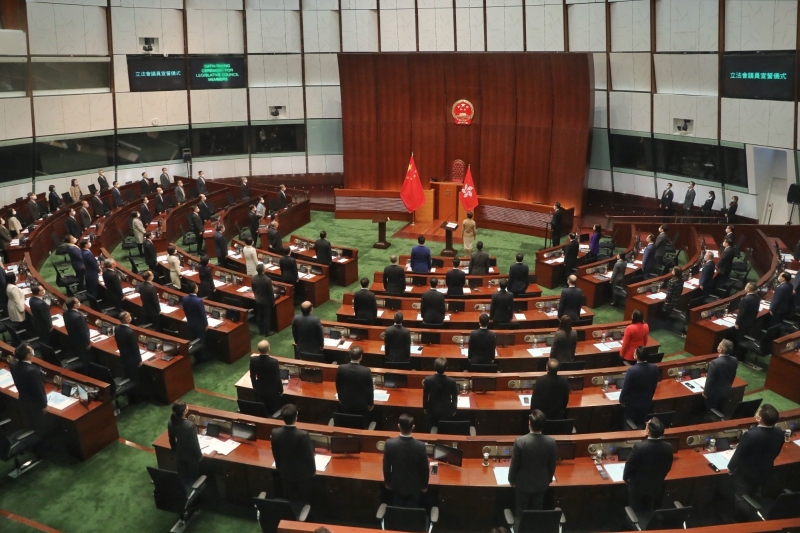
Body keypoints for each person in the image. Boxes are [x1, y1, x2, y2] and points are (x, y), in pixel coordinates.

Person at [727, 404, 784, 502]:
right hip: (765, 470)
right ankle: (754, 508)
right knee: (756, 493)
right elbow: (776, 451)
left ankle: (741, 511)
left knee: (741, 496)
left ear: (760, 418)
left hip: (746, 473)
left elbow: (739, 453)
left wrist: (731, 467)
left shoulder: (751, 435)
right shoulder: (779, 432)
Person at [508, 410, 557, 524]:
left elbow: (514, 464)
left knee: (521, 512)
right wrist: (548, 480)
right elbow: (552, 465)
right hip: (541, 484)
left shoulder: (520, 442)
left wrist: (511, 480)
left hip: (522, 484)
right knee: (537, 512)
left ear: (529, 423)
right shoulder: (551, 442)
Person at [622, 417, 674, 515]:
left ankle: (634, 521)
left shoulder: (639, 447)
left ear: (648, 431)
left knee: (635, 510)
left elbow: (629, 465)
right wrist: (659, 478)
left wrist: (626, 479)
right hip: (656, 486)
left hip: (637, 487)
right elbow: (668, 466)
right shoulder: (668, 447)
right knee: (649, 507)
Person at [383, 413, 430, 507]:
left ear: (398, 426)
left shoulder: (389, 444)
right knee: (412, 510)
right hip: (415, 487)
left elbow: (386, 466)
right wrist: (424, 486)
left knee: (397, 509)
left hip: (396, 486)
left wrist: (387, 482)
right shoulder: (420, 446)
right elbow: (425, 469)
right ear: (413, 427)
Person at [271, 404, 316, 500]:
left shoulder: (275, 433)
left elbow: (276, 454)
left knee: (289, 497)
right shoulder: (303, 435)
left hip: (285, 473)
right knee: (302, 498)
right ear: (296, 417)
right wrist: (313, 471)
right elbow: (309, 457)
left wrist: (280, 468)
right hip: (302, 476)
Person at [619, 346, 660, 428]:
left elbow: (626, 388)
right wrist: (649, 398)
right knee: (641, 423)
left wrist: (621, 400)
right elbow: (654, 385)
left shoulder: (632, 371)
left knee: (629, 424)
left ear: (636, 356)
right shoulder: (654, 368)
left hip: (632, 404)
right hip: (646, 402)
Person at [10, 343, 47, 431]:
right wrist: (44, 405)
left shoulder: (14, 366)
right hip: (35, 404)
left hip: (23, 400)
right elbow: (38, 390)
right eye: (31, 350)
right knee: (40, 425)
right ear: (28, 355)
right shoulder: (32, 371)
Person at [335, 346, 373, 419]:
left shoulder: (341, 368)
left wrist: (340, 398)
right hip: (361, 404)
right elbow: (369, 389)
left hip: (346, 402)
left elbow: (338, 385)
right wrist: (370, 403)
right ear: (361, 356)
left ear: (350, 355)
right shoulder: (366, 371)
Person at [168, 400, 202, 480]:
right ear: (184, 411)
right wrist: (200, 456)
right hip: (191, 457)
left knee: (183, 477)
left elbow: (171, 440)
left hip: (179, 455)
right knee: (192, 479)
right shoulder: (189, 426)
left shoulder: (171, 422)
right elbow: (195, 443)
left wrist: (175, 452)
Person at [703, 340, 738, 411]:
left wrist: (705, 393)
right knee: (721, 410)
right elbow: (733, 376)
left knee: (711, 411)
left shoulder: (715, 363)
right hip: (727, 391)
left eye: (719, 345)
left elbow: (710, 380)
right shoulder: (734, 360)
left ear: (720, 350)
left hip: (714, 394)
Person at [422, 357, 458, 426]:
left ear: (434, 367)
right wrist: (454, 409)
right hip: (447, 410)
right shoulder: (452, 381)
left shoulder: (428, 380)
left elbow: (425, 395)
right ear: (446, 367)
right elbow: (454, 396)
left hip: (432, 409)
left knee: (432, 426)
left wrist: (425, 408)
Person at [250, 340, 283, 413]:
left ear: (258, 349)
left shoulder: (253, 360)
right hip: (272, 391)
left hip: (260, 389)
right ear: (269, 348)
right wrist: (281, 390)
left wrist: (255, 387)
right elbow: (277, 378)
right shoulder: (274, 362)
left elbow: (252, 376)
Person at [115, 312, 142, 397]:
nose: (131, 317)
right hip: (132, 359)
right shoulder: (130, 332)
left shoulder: (117, 328)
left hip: (123, 356)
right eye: (129, 316)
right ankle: (136, 397)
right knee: (135, 378)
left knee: (128, 375)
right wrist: (139, 360)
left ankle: (130, 395)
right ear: (127, 320)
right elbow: (135, 348)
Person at [182, 282, 208, 360]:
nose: (198, 288)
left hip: (190, 323)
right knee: (201, 341)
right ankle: (201, 358)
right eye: (197, 287)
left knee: (194, 340)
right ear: (195, 289)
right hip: (199, 325)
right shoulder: (199, 301)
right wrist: (206, 324)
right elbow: (203, 314)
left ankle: (196, 356)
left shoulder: (184, 299)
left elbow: (185, 310)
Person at [64, 297, 91, 368]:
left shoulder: (65, 313)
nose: (79, 302)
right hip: (81, 343)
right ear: (75, 305)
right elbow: (83, 332)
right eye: (78, 301)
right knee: (85, 359)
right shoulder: (78, 317)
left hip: (72, 339)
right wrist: (87, 343)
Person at [252, 263, 275, 336]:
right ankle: (267, 332)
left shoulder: (253, 278)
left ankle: (261, 331)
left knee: (259, 315)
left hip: (258, 299)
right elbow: (270, 292)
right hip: (266, 301)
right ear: (263, 270)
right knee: (266, 316)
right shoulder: (267, 280)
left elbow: (253, 289)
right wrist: (273, 301)